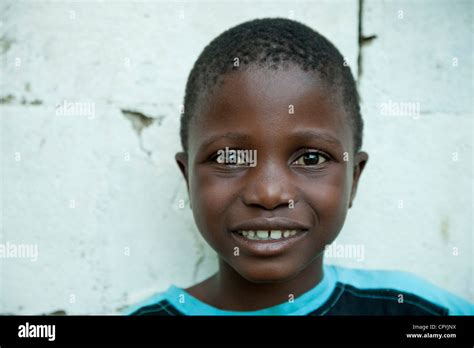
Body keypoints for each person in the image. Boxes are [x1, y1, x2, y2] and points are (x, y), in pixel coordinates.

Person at [124, 18, 473, 315]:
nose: (269, 193)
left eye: (310, 158)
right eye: (230, 158)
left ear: (354, 178)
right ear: (188, 179)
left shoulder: (421, 312)